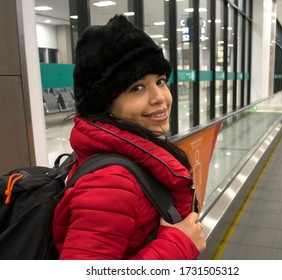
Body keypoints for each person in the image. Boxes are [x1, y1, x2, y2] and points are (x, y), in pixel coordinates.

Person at [53, 15, 206, 260]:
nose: (159, 97)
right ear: (106, 104)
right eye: (137, 87)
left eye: (160, 81)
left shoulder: (134, 155)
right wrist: (178, 244)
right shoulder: (110, 183)